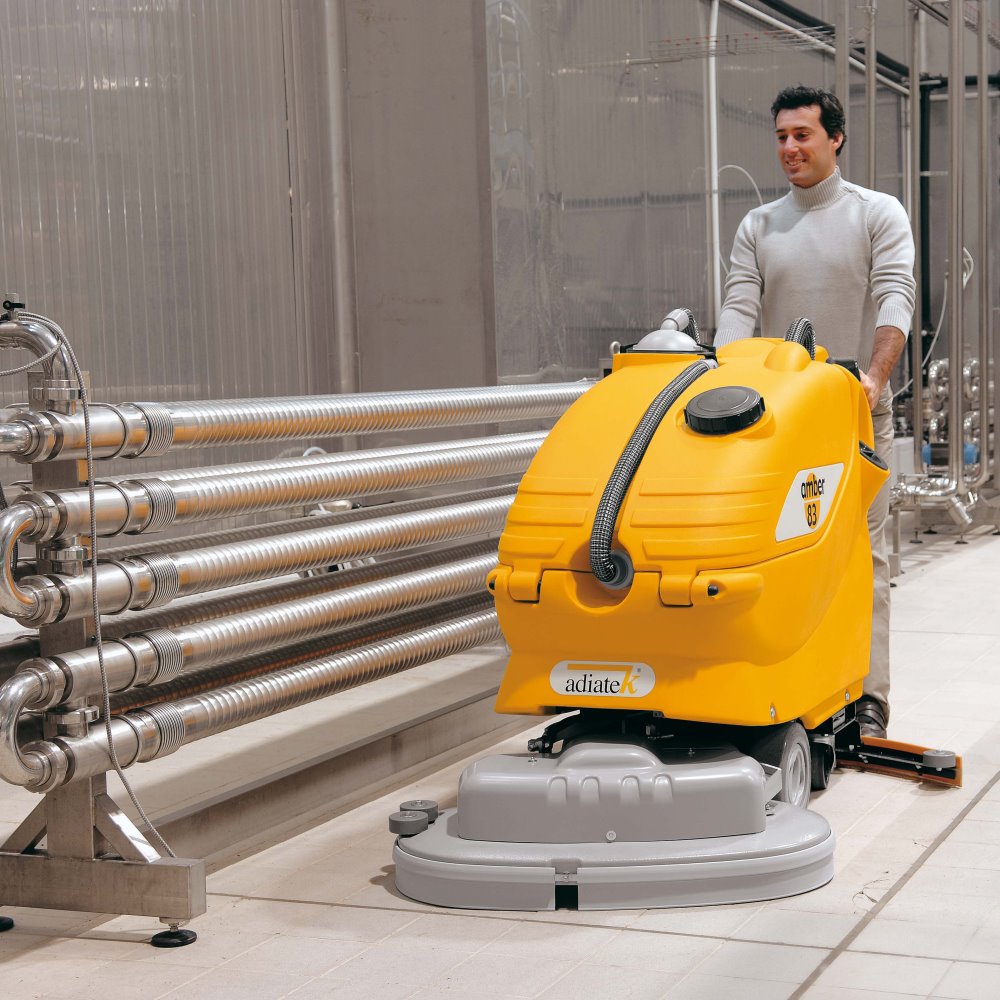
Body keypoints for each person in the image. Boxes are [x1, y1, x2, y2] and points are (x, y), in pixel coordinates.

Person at [714, 85, 916, 739]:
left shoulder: (876, 213)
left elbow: (894, 299)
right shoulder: (758, 226)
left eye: (802, 134)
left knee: (864, 556)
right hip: (779, 421)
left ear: (836, 138)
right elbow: (739, 308)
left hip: (855, 413)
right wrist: (724, 374)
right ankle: (787, 686)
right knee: (775, 554)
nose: (789, 148)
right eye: (780, 137)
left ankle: (869, 697)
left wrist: (873, 378)